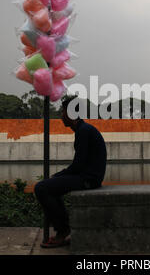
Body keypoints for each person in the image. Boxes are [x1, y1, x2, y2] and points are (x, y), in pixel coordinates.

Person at [34, 96, 107, 248]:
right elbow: (78, 166)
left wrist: (59, 175)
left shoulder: (83, 131)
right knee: (51, 188)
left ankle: (63, 229)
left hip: (88, 179)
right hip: (88, 177)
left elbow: (77, 166)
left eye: (63, 112)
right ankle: (64, 227)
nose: (61, 115)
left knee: (41, 188)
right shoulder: (84, 129)